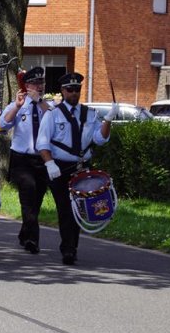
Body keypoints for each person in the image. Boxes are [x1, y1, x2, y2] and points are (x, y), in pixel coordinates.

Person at [36, 72, 114, 265]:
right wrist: (49, 163)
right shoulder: (52, 114)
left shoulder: (89, 113)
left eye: (77, 89)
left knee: (78, 208)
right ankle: (68, 248)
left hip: (81, 168)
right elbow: (42, 143)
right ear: (62, 91)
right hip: (59, 168)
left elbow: (100, 139)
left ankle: (71, 247)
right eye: (70, 89)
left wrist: (108, 120)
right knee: (65, 209)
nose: (74, 93)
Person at [0, 67, 53, 254]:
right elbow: (3, 124)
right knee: (28, 193)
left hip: (42, 159)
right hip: (22, 159)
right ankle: (32, 239)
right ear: (27, 85)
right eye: (35, 83)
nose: (39, 86)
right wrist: (17, 106)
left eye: (42, 83)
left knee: (36, 200)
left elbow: (54, 118)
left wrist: (41, 102)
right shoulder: (19, 104)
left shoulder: (48, 106)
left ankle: (25, 232)